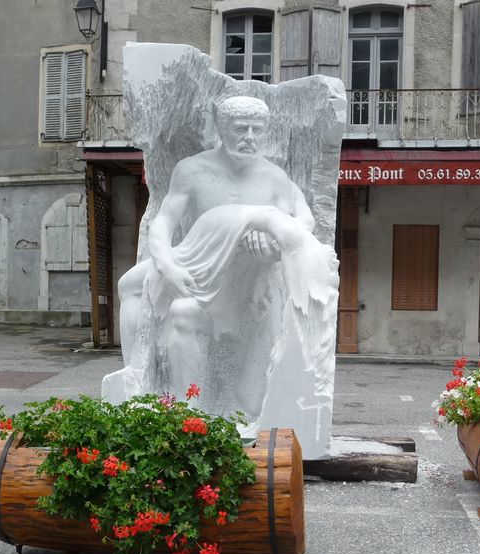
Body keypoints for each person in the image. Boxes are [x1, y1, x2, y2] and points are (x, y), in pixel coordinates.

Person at [106, 96, 338, 425]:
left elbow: (304, 222)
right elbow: (163, 223)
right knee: (133, 286)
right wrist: (169, 268)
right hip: (200, 263)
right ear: (222, 129)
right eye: (241, 129)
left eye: (257, 130)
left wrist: (271, 244)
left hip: (250, 281)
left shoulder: (274, 178)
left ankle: (210, 409)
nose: (250, 137)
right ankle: (156, 388)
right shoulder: (193, 170)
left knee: (247, 398)